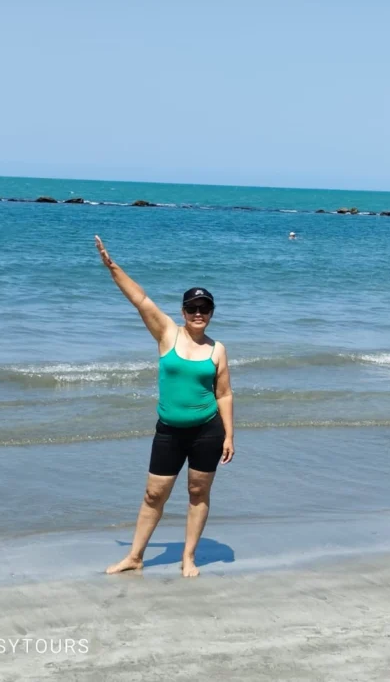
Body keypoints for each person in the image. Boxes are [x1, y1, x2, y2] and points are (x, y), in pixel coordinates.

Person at [94, 235, 234, 578]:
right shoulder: (167, 335)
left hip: (207, 431)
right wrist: (113, 267)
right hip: (169, 431)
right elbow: (140, 299)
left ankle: (189, 557)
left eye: (205, 309)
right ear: (183, 311)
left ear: (211, 313)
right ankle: (135, 556)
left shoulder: (218, 349)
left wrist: (229, 435)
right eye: (192, 308)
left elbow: (225, 394)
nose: (198, 313)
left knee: (198, 492)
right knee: (154, 493)